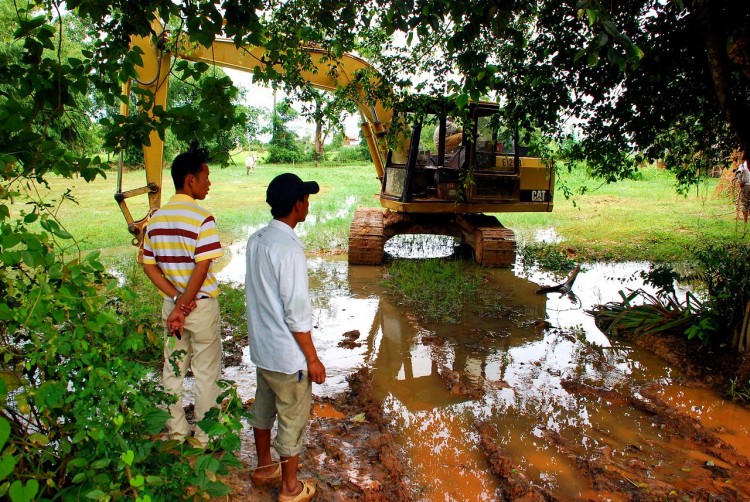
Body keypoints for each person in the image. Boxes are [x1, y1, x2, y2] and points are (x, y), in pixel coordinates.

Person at [245, 173, 326, 502]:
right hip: (287, 356)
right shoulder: (290, 249)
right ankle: (290, 488)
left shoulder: (256, 239)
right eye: (306, 199)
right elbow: (296, 314)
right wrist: (312, 358)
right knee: (292, 418)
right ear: (297, 205)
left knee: (263, 409)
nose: (308, 204)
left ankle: (265, 467)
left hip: (263, 351)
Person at [141, 150, 223, 445]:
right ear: (190, 180)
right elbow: (202, 268)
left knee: (173, 369)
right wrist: (186, 303)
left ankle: (176, 432)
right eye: (206, 178)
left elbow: (148, 265)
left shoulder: (156, 219)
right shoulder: (203, 219)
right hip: (198, 308)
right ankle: (203, 438)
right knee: (205, 373)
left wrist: (176, 300)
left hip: (172, 307)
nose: (209, 184)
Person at [736, 152, 750, 224]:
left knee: (745, 203)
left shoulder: (743, 165)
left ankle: (745, 221)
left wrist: (740, 182)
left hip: (746, 185)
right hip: (747, 184)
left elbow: (738, 173)